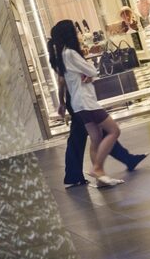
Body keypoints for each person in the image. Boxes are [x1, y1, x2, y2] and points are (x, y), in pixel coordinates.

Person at [48, 21, 126, 187]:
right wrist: (89, 72)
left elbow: (67, 78)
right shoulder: (70, 53)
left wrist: (85, 75)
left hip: (79, 103)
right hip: (87, 103)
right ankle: (97, 169)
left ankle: (100, 180)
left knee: (96, 138)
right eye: (75, 31)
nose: (77, 33)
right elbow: (92, 70)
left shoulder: (62, 55)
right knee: (114, 131)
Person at [57, 76, 147, 187]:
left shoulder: (63, 60)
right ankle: (86, 175)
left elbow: (62, 81)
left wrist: (62, 102)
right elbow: (63, 79)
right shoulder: (68, 59)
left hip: (76, 99)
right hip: (79, 100)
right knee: (96, 135)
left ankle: (127, 160)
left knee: (98, 135)